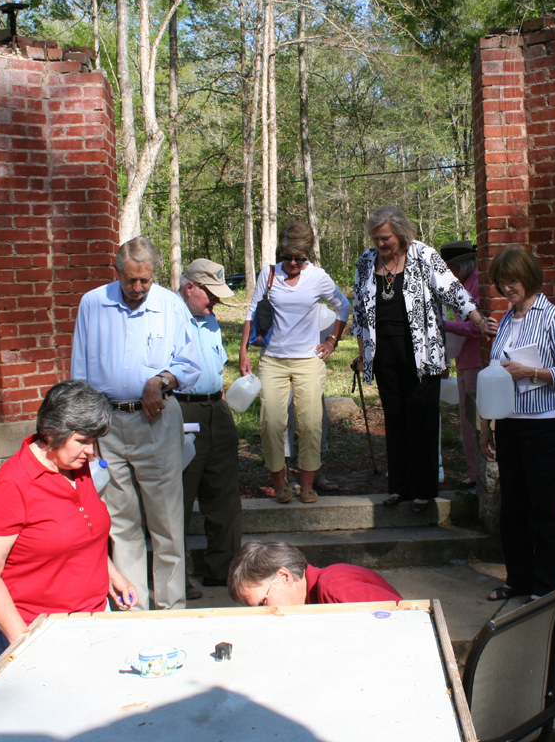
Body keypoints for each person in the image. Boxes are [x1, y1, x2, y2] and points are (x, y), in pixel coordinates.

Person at [71, 236, 202, 610]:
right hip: (107, 421)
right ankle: (134, 609)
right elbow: (80, 371)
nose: (138, 288)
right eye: (131, 280)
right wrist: (86, 431)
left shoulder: (170, 304)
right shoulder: (93, 304)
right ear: (117, 273)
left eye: (145, 280)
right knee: (121, 524)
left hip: (156, 420)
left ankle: (172, 608)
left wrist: (160, 380)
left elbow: (190, 364)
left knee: (166, 520)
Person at [0, 380, 137, 660]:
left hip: (92, 620)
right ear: (51, 433)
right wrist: (21, 641)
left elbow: (84, 532)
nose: (92, 451)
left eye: (94, 441)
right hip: (36, 630)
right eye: (82, 441)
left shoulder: (75, 466)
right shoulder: (10, 485)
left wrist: (112, 576)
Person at [351, 206, 484, 512]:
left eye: (385, 238)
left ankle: (423, 489)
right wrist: (362, 354)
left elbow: (452, 290)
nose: (380, 244)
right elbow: (359, 309)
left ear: (400, 232)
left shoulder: (423, 255)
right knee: (395, 419)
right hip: (383, 351)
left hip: (423, 351)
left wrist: (478, 319)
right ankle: (398, 487)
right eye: (375, 239)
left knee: (421, 420)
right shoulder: (366, 260)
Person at [479, 245, 555, 604]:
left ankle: (544, 586)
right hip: (509, 422)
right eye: (502, 282)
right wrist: (486, 425)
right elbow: (493, 373)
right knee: (512, 508)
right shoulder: (506, 319)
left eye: (514, 281)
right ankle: (517, 579)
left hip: (543, 423)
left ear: (530, 277)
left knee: (543, 508)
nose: (508, 289)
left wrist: (531, 372)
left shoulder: (554, 317)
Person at [239, 221, 350, 505]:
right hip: (273, 360)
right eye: (287, 256)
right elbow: (252, 310)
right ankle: (280, 484)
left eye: (299, 258)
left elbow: (343, 306)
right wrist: (243, 352)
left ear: (308, 256)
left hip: (308, 362)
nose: (292, 263)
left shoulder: (318, 277)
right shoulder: (270, 273)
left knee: (311, 423)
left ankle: (308, 485)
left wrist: (332, 341)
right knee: (271, 423)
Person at [176, 259, 242, 596]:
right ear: (190, 288)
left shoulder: (210, 318)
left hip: (217, 408)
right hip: (182, 411)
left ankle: (224, 570)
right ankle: (175, 577)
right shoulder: (169, 319)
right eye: (210, 294)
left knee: (225, 494)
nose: (215, 300)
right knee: (180, 496)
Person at [227, 541, 402, 606]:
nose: (263, 615)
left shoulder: (334, 588)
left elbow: (406, 616)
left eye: (262, 604)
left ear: (284, 577)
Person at [441, 240, 482, 484]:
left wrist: (443, 324)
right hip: (464, 359)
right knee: (466, 421)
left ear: (461, 264)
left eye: (448, 268)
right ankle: (473, 472)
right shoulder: (461, 284)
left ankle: (479, 473)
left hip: (477, 360)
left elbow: (477, 328)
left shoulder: (476, 283)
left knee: (475, 419)